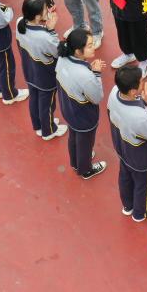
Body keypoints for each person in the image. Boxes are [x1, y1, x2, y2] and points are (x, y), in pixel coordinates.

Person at [107, 66, 147, 221]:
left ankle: (128, 206)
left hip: (122, 148)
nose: (144, 83)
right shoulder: (139, 117)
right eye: (141, 82)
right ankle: (141, 212)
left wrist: (145, 99)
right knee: (144, 185)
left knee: (125, 177)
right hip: (141, 159)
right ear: (133, 91)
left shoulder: (114, 92)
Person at [55, 29, 107, 180]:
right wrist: (96, 73)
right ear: (78, 51)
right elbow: (97, 97)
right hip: (83, 115)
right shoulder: (85, 75)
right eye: (90, 45)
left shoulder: (63, 58)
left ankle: (75, 161)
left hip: (68, 108)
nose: (94, 48)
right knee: (85, 141)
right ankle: (85, 169)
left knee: (74, 136)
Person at [16, 0, 68, 140]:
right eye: (46, 9)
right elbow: (57, 51)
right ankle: (48, 130)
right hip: (45, 75)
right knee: (47, 103)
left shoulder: (20, 22)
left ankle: (38, 125)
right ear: (38, 16)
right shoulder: (44, 36)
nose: (48, 11)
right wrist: (51, 30)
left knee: (34, 98)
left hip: (29, 70)